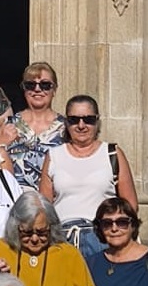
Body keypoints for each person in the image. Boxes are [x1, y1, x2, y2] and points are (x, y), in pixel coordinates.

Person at [40, 95, 137, 260]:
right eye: (74, 119)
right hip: (62, 239)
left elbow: (130, 205)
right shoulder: (54, 155)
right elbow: (44, 207)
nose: (81, 125)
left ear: (97, 121)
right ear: (66, 123)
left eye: (88, 119)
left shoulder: (112, 153)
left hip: (102, 237)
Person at [0, 61, 65, 191]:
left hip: (54, 200)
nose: (37, 89)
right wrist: (0, 144)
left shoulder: (66, 127)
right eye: (30, 85)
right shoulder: (7, 124)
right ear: (23, 89)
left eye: (45, 85)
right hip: (16, 199)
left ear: (55, 89)